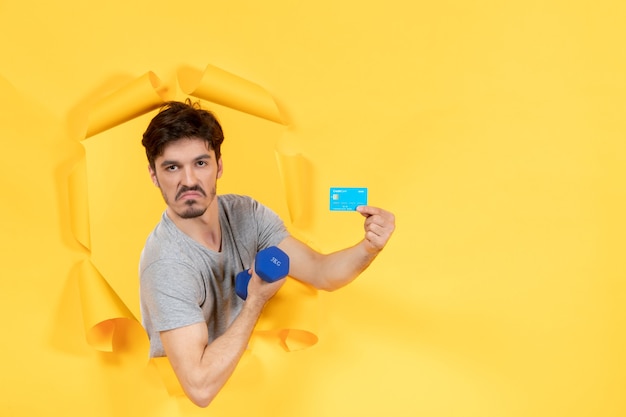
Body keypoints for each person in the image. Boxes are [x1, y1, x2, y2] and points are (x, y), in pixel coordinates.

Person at [139, 100, 395, 407]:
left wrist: (369, 247)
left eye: (201, 163)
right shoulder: (165, 264)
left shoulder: (246, 213)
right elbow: (199, 389)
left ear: (219, 166)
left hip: (256, 390)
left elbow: (321, 272)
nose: (189, 180)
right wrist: (257, 299)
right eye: (172, 167)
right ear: (154, 175)